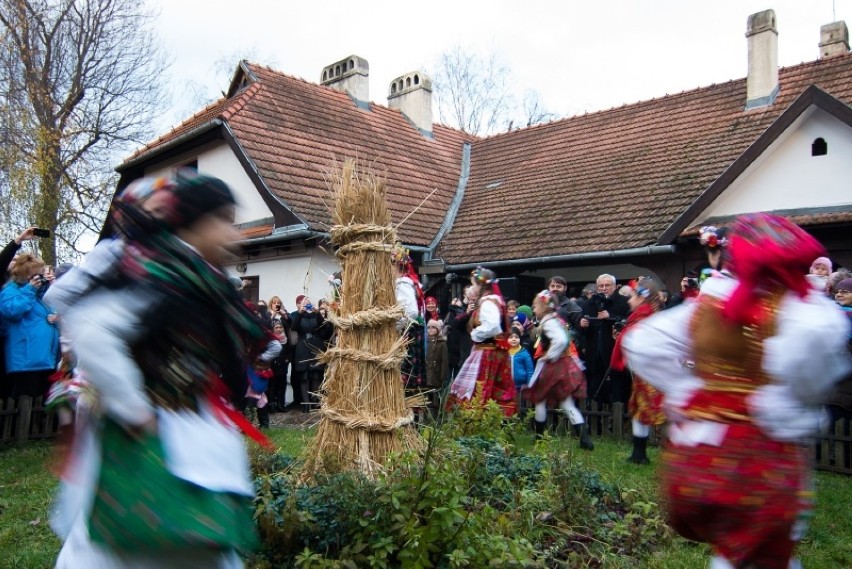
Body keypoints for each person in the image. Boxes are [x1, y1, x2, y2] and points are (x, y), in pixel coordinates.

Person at [51, 170, 273, 568]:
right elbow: (92, 328)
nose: (232, 234)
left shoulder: (202, 279)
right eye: (221, 219)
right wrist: (133, 408)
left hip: (189, 439)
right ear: (190, 222)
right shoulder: (165, 274)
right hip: (155, 445)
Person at [623, 213, 851, 569]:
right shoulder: (799, 311)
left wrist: (691, 389)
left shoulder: (707, 304)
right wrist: (786, 400)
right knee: (762, 551)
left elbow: (644, 343)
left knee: (734, 546)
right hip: (760, 453)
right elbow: (809, 369)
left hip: (698, 451)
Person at [526, 290, 593, 449]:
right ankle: (584, 439)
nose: (534, 309)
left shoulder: (549, 322)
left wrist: (549, 356)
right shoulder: (557, 320)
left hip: (556, 367)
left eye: (535, 306)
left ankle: (539, 436)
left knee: (541, 399)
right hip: (565, 364)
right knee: (566, 403)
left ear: (543, 307)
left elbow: (561, 340)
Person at [448, 267, 517, 416]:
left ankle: (478, 426)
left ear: (481, 285)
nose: (472, 288)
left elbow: (493, 326)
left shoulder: (487, 302)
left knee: (480, 390)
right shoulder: (494, 300)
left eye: (473, 284)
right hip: (492, 351)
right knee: (491, 391)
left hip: (487, 353)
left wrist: (475, 334)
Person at [610, 277, 665, 464]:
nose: (628, 300)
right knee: (639, 410)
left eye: (632, 296)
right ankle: (639, 453)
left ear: (642, 298)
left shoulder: (644, 319)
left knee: (650, 410)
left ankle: (642, 453)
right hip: (646, 373)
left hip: (651, 373)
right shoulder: (643, 317)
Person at [0, 253, 59, 400]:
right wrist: (30, 290)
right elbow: (11, 311)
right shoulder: (11, 291)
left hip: (45, 359)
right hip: (26, 360)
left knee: (41, 404)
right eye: (37, 275)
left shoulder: (40, 295)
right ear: (26, 275)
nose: (40, 278)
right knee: (24, 403)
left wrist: (51, 288)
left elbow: (53, 314)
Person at [579, 274, 630, 405]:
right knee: (595, 390)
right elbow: (583, 332)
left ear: (615, 286)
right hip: (594, 353)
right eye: (601, 286)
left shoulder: (624, 302)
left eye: (607, 285)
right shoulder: (588, 304)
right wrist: (583, 325)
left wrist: (611, 316)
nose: (604, 288)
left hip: (614, 351)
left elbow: (628, 322)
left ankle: (618, 419)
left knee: (617, 389)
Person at [290, 296, 331, 411]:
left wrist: (317, 313)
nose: (307, 305)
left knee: (316, 374)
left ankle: (315, 402)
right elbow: (293, 327)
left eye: (309, 303)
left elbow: (324, 327)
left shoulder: (316, 315)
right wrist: (300, 312)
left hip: (316, 345)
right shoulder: (298, 316)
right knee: (304, 376)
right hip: (303, 346)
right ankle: (305, 403)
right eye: (305, 303)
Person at [508, 330, 534, 414]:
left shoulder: (524, 353)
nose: (514, 339)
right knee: (509, 408)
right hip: (507, 387)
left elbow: (530, 370)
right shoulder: (504, 353)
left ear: (520, 339)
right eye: (511, 337)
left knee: (521, 408)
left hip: (521, 387)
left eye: (516, 337)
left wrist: (529, 385)